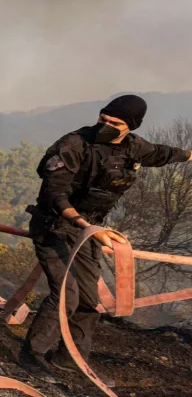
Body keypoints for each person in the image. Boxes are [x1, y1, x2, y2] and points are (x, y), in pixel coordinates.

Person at [20, 94, 192, 379]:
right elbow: (55, 194)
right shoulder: (74, 144)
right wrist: (81, 223)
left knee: (90, 300)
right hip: (54, 227)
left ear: (131, 126)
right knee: (67, 294)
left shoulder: (134, 147)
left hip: (90, 231)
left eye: (115, 122)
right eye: (103, 118)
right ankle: (31, 356)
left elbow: (161, 154)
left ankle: (69, 360)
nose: (105, 124)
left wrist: (189, 155)